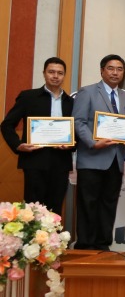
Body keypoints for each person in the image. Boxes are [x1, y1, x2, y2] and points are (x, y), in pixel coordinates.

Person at [72, 54, 125, 250]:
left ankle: (102, 244)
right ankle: (85, 244)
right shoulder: (87, 92)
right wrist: (92, 142)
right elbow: (79, 122)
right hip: (91, 159)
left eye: (119, 69)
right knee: (88, 203)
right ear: (102, 70)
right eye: (111, 68)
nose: (115, 72)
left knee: (108, 204)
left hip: (115, 160)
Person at [1, 57, 74, 214]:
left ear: (64, 76)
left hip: (61, 163)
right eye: (51, 72)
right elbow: (7, 125)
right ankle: (34, 239)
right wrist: (18, 145)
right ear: (44, 73)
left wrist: (72, 144)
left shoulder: (71, 102)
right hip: (34, 161)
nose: (55, 76)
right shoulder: (28, 97)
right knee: (32, 210)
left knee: (55, 210)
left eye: (60, 73)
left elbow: (78, 132)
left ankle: (54, 239)